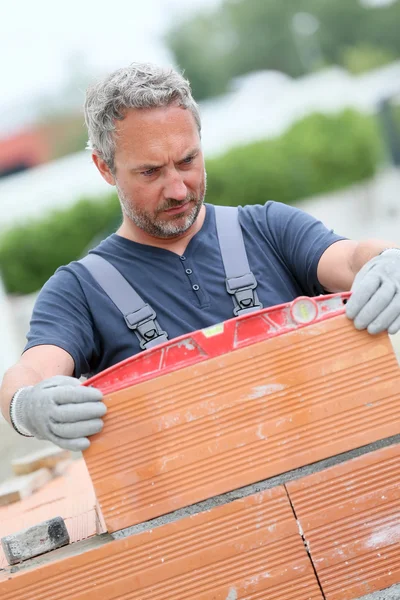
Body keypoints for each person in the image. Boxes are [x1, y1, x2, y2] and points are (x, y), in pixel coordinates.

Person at [1, 62, 400, 452]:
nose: (177, 189)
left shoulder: (268, 228)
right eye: (151, 172)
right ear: (105, 168)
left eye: (187, 161)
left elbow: (351, 260)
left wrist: (388, 260)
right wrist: (26, 406)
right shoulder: (79, 291)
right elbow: (32, 372)